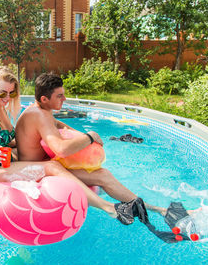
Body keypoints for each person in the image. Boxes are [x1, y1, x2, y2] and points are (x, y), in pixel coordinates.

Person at [15, 72, 169, 224]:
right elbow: (60, 149)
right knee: (103, 176)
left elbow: (56, 123)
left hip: (42, 164)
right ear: (44, 99)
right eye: (59, 96)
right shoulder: (40, 115)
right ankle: (121, 208)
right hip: (35, 171)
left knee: (103, 174)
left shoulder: (39, 110)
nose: (65, 99)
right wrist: (89, 137)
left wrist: (78, 134)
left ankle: (153, 209)